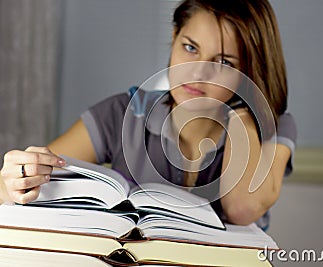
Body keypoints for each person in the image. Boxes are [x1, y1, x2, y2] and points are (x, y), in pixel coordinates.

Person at [0, 0, 296, 230]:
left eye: (222, 61)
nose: (196, 72)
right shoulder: (122, 113)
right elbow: (22, 186)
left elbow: (241, 209)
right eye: (190, 47)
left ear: (247, 69)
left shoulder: (273, 127)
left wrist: (241, 117)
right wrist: (14, 180)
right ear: (174, 37)